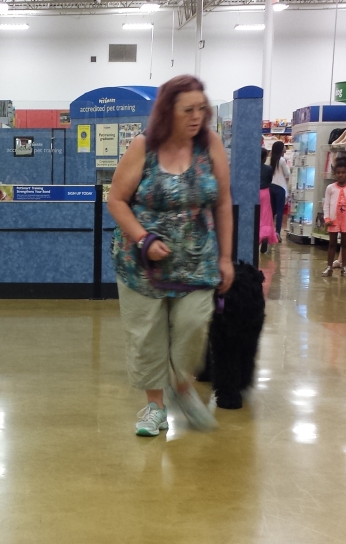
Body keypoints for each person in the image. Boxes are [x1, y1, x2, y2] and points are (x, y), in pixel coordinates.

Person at [108, 75, 235, 437]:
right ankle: (155, 408)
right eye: (187, 110)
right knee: (147, 334)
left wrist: (226, 257)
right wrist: (143, 238)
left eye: (201, 109)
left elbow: (223, 202)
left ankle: (181, 383)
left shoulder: (209, 144)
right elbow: (116, 200)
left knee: (194, 324)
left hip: (197, 261)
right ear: (168, 111)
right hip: (142, 265)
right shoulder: (143, 146)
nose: (196, 117)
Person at [322, 158, 346, 278]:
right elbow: (326, 204)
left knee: (345, 244)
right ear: (335, 174)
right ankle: (329, 267)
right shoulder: (330, 188)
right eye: (338, 172)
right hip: (333, 219)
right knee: (332, 243)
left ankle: (344, 268)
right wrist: (327, 218)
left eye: (343, 172)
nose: (340, 175)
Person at [268, 140, 289, 238]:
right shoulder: (282, 160)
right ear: (281, 149)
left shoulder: (269, 159)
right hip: (280, 187)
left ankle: (269, 231)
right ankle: (278, 232)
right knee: (280, 211)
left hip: (271, 186)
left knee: (272, 210)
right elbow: (287, 173)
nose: (285, 148)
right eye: (284, 146)